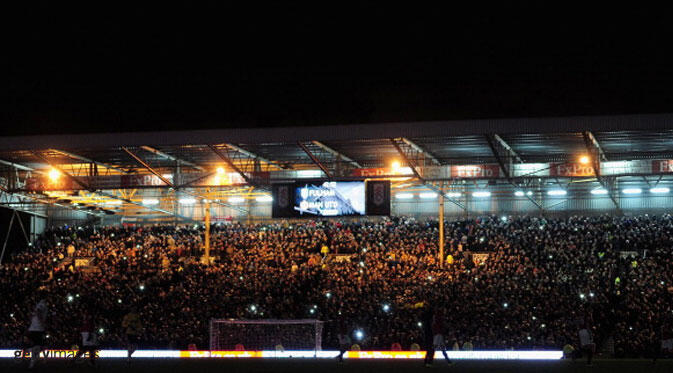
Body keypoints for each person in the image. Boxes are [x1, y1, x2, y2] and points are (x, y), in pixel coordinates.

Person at [26, 292, 48, 370]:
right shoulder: (42, 304)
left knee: (34, 345)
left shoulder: (40, 304)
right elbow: (37, 313)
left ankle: (34, 360)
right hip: (37, 328)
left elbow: (36, 313)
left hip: (35, 328)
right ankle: (35, 359)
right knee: (37, 345)